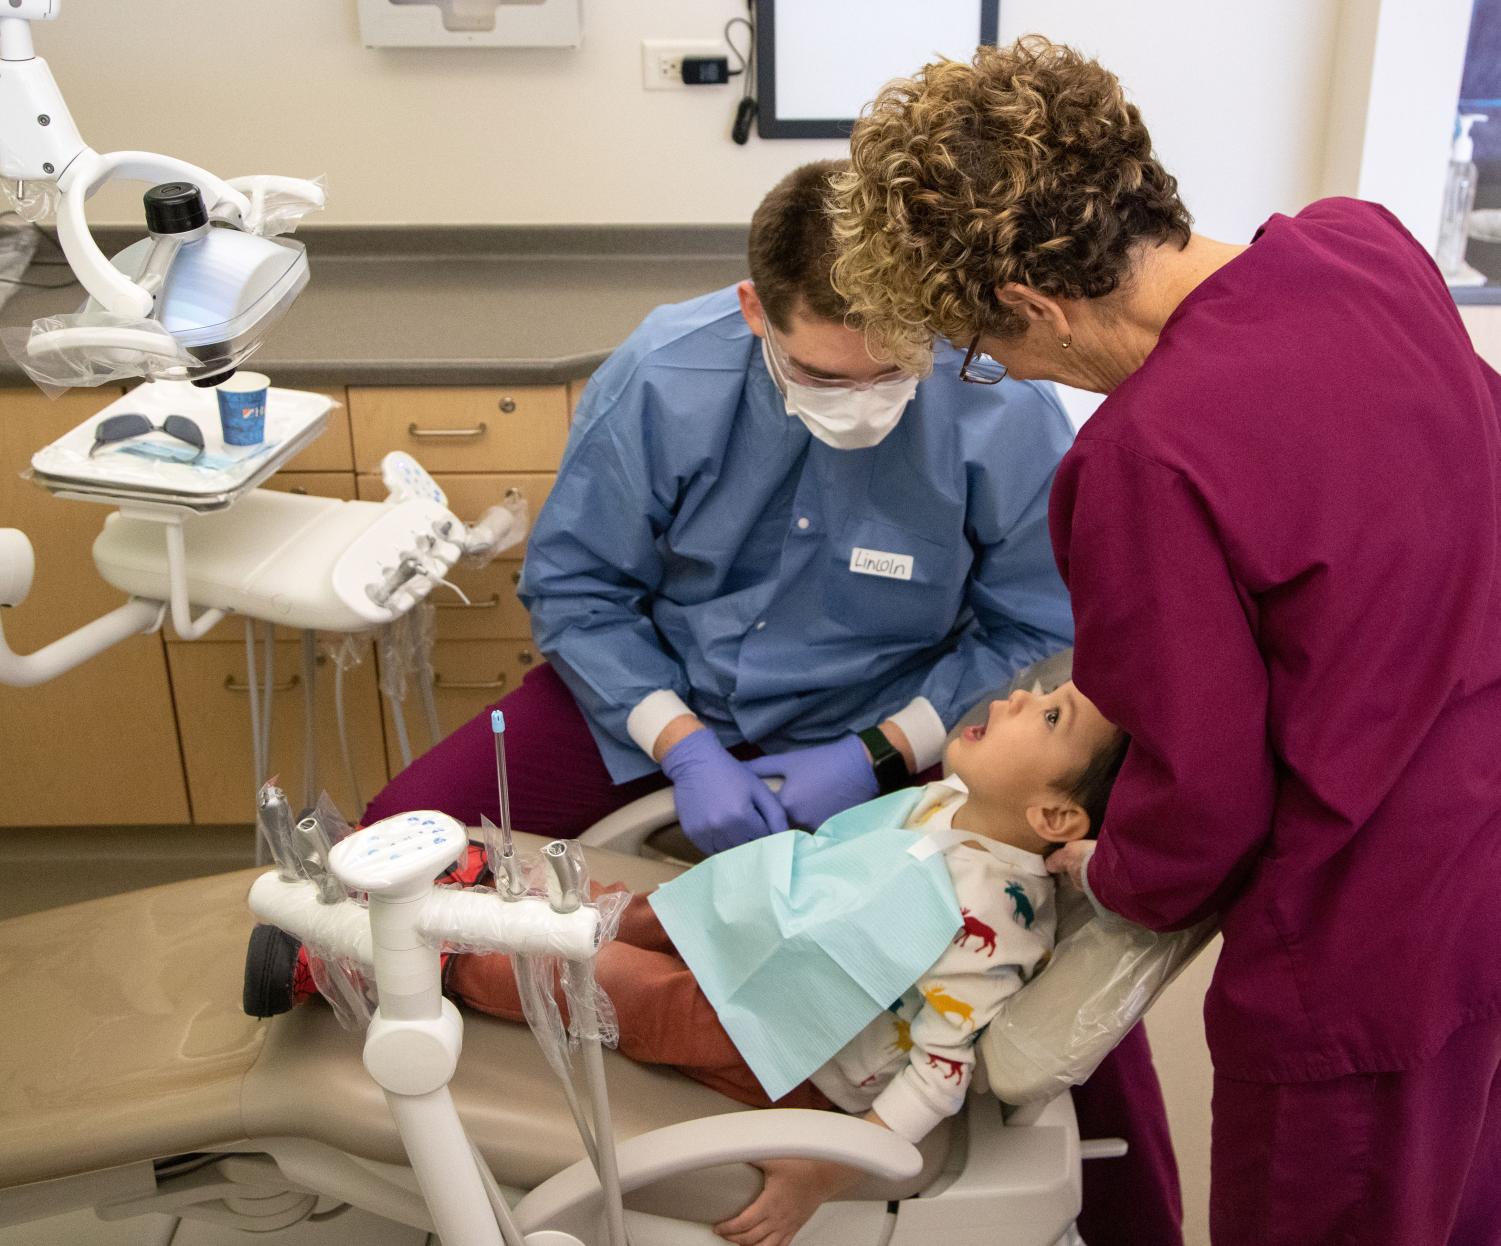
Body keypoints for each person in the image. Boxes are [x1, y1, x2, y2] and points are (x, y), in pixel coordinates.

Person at [829, 36, 1501, 1246]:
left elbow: (1203, 802)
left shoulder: (1143, 460)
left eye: (993, 353)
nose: (1016, 374)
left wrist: (1108, 867)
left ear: (1034, 304)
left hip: (1367, 932)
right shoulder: (1363, 246)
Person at [362, 158, 1075, 856]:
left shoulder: (1001, 403)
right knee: (393, 845)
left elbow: (1034, 625)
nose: (863, 408)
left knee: (940, 925)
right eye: (822, 376)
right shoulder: (662, 377)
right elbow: (576, 589)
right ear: (754, 309)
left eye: (894, 372)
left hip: (890, 710)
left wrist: (882, 752)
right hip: (657, 686)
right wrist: (683, 745)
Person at [270, 681, 1130, 1246]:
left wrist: (838, 1164)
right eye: (1044, 694)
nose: (1020, 694)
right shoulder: (953, 801)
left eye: (1049, 717)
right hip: (785, 948)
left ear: (1054, 816)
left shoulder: (997, 920)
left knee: (616, 983)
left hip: (795, 1049)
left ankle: (393, 961)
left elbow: (943, 1070)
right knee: (643, 914)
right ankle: (491, 897)